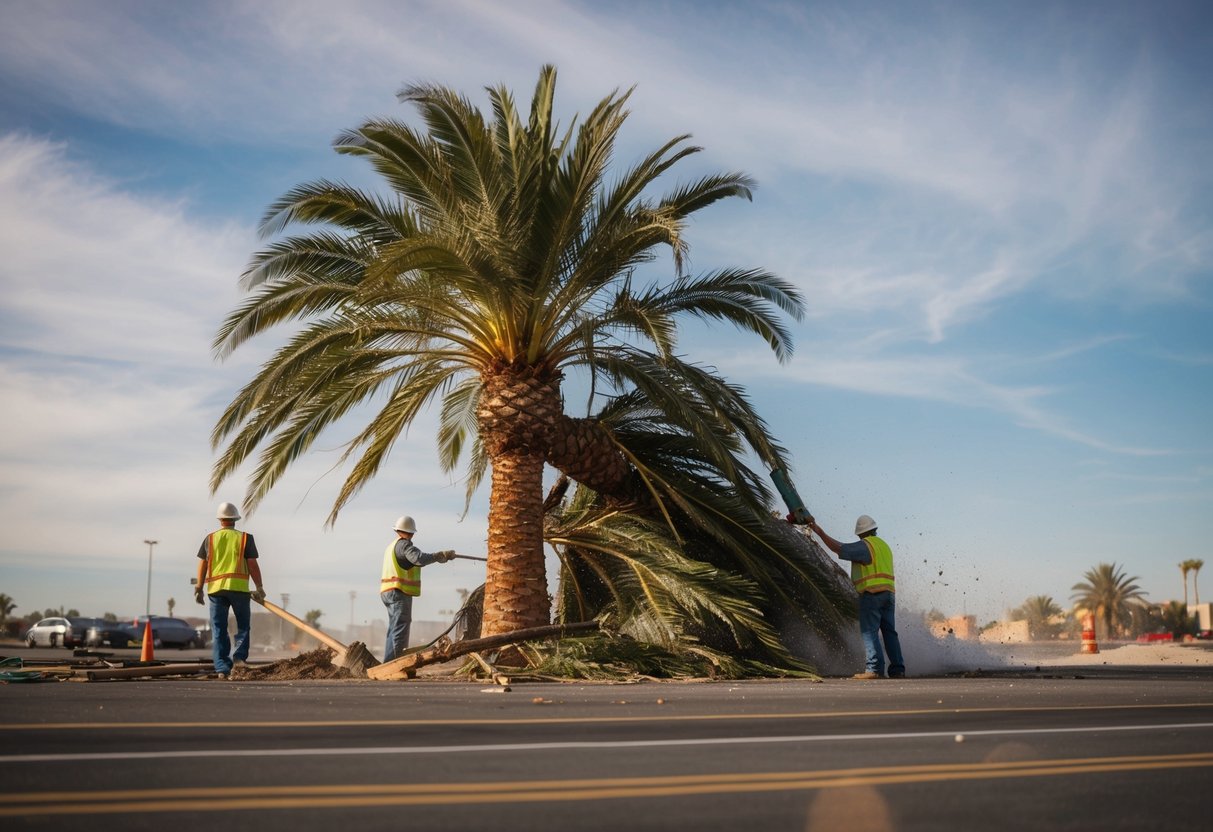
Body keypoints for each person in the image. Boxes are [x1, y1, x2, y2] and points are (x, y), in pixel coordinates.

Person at [790, 511, 906, 679]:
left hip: (871, 594)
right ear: (874, 529)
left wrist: (818, 531)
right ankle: (898, 670)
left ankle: (874, 669)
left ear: (861, 533)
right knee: (889, 633)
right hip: (888, 595)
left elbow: (839, 548)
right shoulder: (883, 546)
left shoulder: (866, 545)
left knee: (869, 632)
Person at [194, 501, 266, 680]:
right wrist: (259, 587)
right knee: (243, 627)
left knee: (218, 628)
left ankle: (221, 668)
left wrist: (199, 588)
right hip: (239, 589)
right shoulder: (245, 538)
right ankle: (239, 660)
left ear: (220, 519)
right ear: (235, 519)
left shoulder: (210, 539)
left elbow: (202, 564)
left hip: (216, 590)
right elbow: (252, 565)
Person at [381, 515, 455, 661]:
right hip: (399, 591)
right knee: (400, 627)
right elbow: (418, 558)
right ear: (411, 532)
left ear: (397, 529)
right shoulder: (405, 545)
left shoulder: (392, 546)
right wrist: (439, 556)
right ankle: (394, 664)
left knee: (394, 628)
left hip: (388, 591)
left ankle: (388, 662)